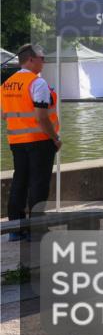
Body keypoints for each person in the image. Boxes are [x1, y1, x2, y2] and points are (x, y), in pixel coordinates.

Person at [2, 44, 61, 239]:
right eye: (42, 58)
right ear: (30, 59)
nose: (44, 61)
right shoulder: (37, 83)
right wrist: (55, 138)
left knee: (20, 181)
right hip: (40, 140)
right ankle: (36, 229)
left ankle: (15, 229)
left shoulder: (7, 83)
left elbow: (4, 114)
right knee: (39, 184)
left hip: (16, 140)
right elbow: (42, 117)